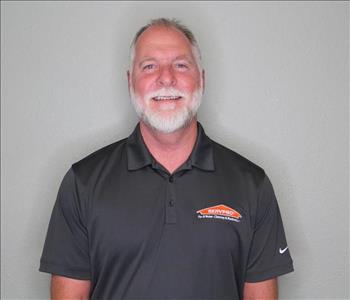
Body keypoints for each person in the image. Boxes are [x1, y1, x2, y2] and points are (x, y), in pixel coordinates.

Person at [39, 18, 294, 299]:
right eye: (149, 66)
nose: (166, 78)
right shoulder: (83, 182)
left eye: (180, 65)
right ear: (130, 82)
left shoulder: (252, 184)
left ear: (202, 79)